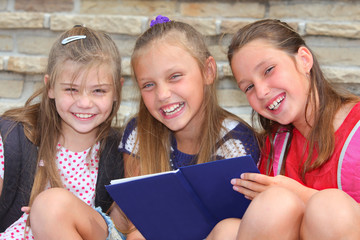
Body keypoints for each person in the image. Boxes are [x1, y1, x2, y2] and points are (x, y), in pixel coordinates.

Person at [207, 19, 360, 240]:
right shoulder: (273, 146)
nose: (260, 92)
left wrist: (303, 195)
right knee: (228, 229)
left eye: (268, 70)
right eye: (248, 87)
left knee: (329, 207)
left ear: (304, 60)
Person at [118, 15, 260, 239]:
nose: (162, 95)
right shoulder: (139, 132)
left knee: (230, 230)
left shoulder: (236, 141)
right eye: (148, 85)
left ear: (208, 71)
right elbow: (138, 224)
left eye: (175, 77)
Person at [0, 25, 126, 240]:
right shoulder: (12, 139)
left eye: (99, 90)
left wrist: (51, 215)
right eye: (71, 89)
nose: (85, 103)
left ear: (116, 90)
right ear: (50, 87)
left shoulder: (121, 152)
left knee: (52, 206)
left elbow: (123, 228)